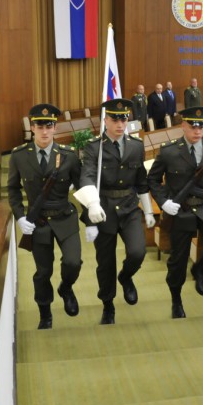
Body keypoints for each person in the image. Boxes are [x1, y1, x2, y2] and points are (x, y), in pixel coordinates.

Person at [73, 99, 155, 325]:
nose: (120, 124)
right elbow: (87, 177)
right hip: (103, 209)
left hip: (129, 208)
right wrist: (91, 204)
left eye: (124, 119)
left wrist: (148, 211)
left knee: (138, 252)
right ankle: (107, 304)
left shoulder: (136, 146)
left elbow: (141, 181)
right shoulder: (93, 147)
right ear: (105, 121)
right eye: (115, 119)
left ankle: (126, 277)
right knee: (105, 263)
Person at [147, 106, 203, 319]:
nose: (197, 130)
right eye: (193, 126)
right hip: (181, 210)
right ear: (183, 126)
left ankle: (200, 268)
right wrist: (163, 202)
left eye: (201, 125)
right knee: (178, 260)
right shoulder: (168, 151)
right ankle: (176, 300)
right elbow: (153, 180)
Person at [8, 103, 83, 330]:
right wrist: (20, 216)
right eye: (39, 126)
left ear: (54, 128)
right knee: (43, 272)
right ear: (32, 127)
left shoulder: (68, 156)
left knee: (73, 262)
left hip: (64, 216)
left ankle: (66, 288)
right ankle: (45, 312)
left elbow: (81, 186)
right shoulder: (19, 156)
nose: (44, 131)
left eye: (48, 126)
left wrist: (90, 218)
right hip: (37, 222)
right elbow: (12, 189)